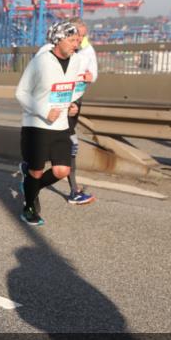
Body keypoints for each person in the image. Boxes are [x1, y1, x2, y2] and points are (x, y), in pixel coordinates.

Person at [15, 19, 86, 225]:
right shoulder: (40, 62)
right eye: (72, 40)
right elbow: (21, 93)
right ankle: (29, 207)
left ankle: (31, 186)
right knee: (36, 171)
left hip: (61, 125)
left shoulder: (76, 61)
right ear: (59, 40)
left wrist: (73, 104)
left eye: (77, 40)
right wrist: (45, 111)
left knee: (61, 171)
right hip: (36, 126)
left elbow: (72, 88)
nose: (76, 44)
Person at [66, 18, 98, 205]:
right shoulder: (54, 50)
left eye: (84, 35)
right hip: (59, 102)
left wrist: (90, 76)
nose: (82, 39)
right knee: (65, 144)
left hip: (76, 100)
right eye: (79, 35)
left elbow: (93, 72)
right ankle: (30, 169)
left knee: (69, 145)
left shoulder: (87, 50)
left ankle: (74, 191)